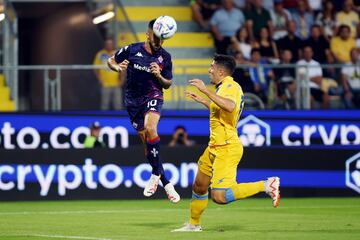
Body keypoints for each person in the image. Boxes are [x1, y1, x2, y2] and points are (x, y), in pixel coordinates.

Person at [172, 54, 280, 232]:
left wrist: (205, 91)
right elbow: (223, 111)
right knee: (199, 185)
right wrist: (205, 101)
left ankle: (267, 185)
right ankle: (193, 225)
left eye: (212, 67)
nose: (209, 70)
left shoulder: (230, 86)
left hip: (227, 147)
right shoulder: (223, 87)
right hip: (214, 146)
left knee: (219, 196)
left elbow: (230, 106)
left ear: (221, 71)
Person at [107, 19, 180, 203]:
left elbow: (168, 83)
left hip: (153, 96)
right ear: (148, 34)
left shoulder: (165, 57)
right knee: (147, 143)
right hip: (133, 102)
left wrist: (159, 75)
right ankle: (164, 181)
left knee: (151, 128)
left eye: (162, 40)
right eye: (156, 38)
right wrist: (116, 67)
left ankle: (156, 174)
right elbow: (111, 60)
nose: (159, 43)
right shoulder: (132, 49)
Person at [93, 39, 124, 110]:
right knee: (104, 104)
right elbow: (95, 68)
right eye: (107, 44)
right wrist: (99, 79)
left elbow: (122, 67)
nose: (109, 45)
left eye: (110, 44)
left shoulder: (117, 54)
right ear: (105, 45)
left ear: (113, 45)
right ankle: (103, 120)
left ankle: (118, 120)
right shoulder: (100, 54)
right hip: (105, 84)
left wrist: (122, 80)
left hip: (116, 84)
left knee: (118, 104)